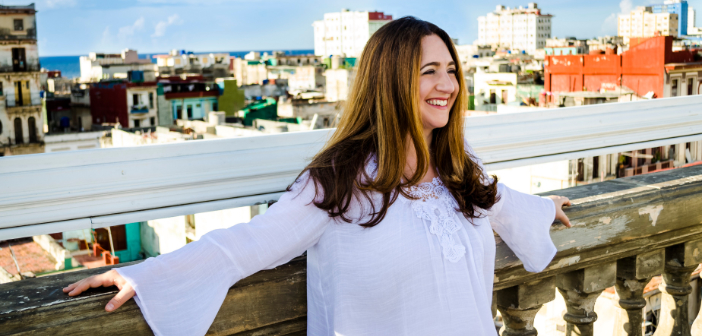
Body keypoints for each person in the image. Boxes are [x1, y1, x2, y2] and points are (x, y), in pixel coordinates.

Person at [64, 17, 571, 336]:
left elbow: (500, 201)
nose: (448, 85)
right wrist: (143, 274)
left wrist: (547, 207)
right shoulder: (341, 179)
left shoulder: (462, 163)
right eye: (428, 72)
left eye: (452, 69)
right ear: (391, 82)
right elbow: (250, 243)